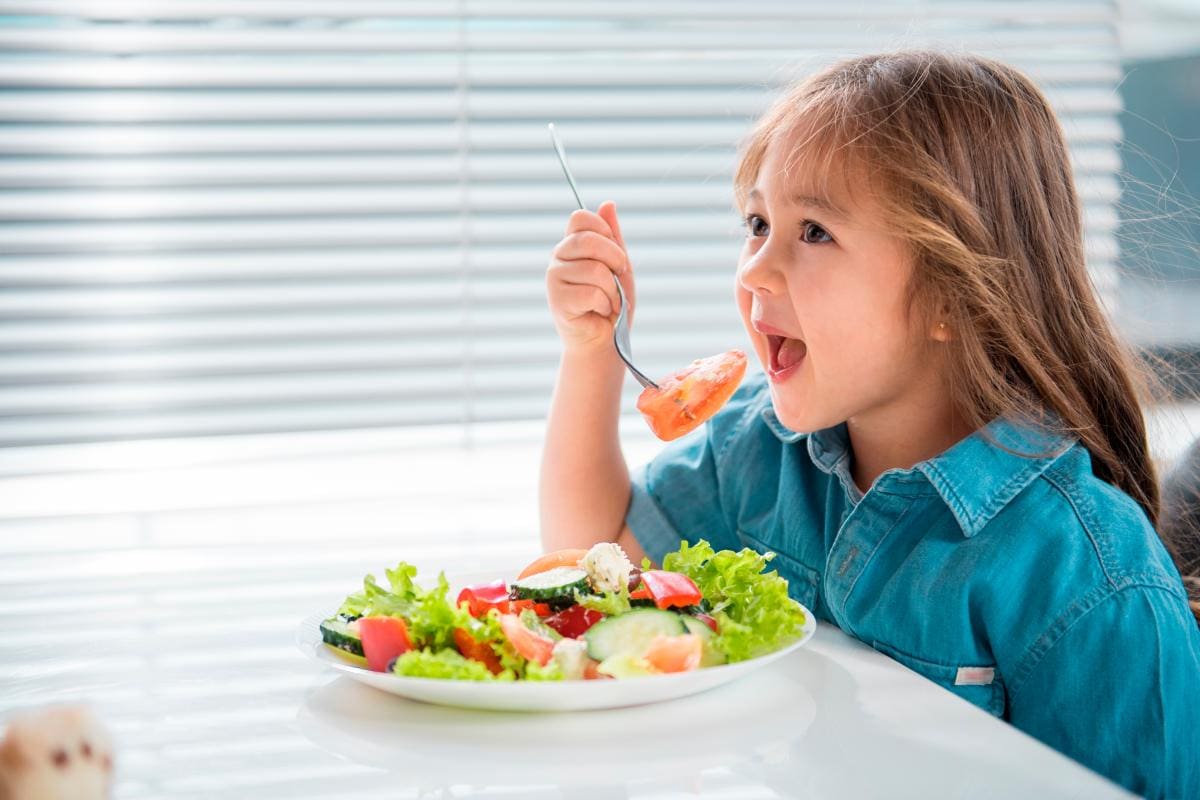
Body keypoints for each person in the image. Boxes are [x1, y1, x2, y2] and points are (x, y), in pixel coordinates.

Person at [539, 51, 1200, 799]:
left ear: (956, 297)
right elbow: (591, 568)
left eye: (813, 231)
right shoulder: (760, 450)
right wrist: (592, 352)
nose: (755, 268)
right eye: (757, 222)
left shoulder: (1088, 579)